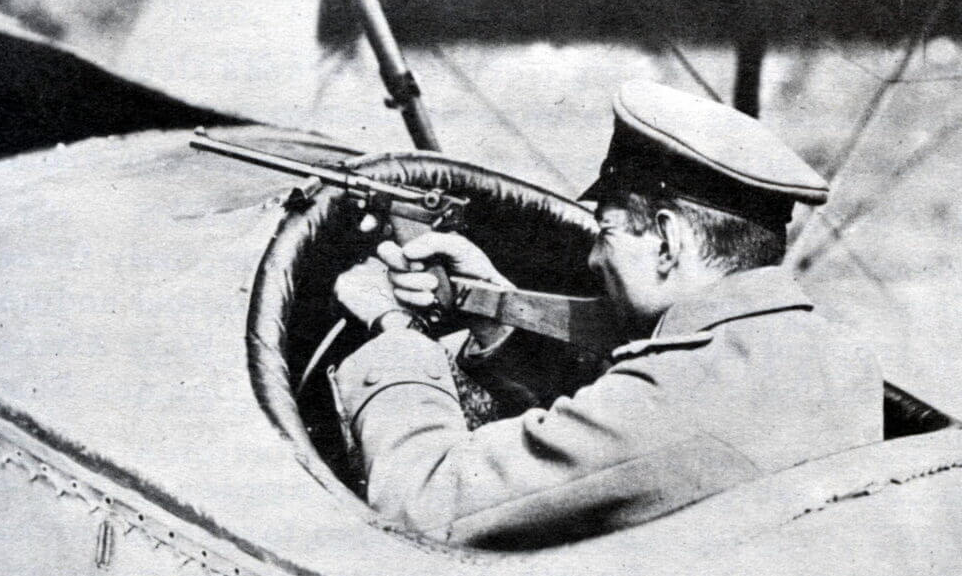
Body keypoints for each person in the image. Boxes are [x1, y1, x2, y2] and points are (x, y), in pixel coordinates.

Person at [332, 80, 883, 548]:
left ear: (667, 240)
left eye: (608, 232)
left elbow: (422, 503)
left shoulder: (676, 396)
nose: (595, 256)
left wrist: (395, 332)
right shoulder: (839, 357)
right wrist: (493, 308)